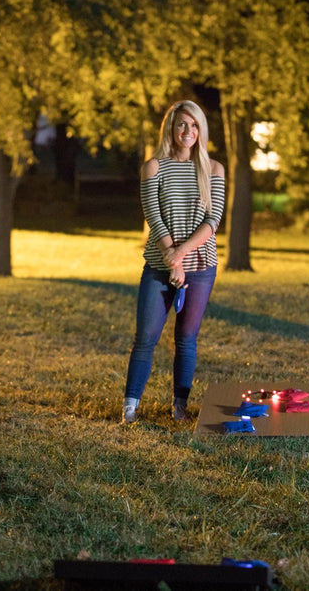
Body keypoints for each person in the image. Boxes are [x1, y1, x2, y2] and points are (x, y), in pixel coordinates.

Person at [122, 100, 225, 424]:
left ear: (201, 129)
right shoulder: (154, 167)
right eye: (182, 124)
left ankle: (179, 407)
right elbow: (153, 217)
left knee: (186, 338)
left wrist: (181, 255)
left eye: (194, 125)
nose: (188, 131)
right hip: (159, 265)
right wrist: (172, 261)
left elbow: (213, 220)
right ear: (170, 128)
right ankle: (130, 408)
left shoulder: (214, 169)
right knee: (146, 337)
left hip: (201, 267)